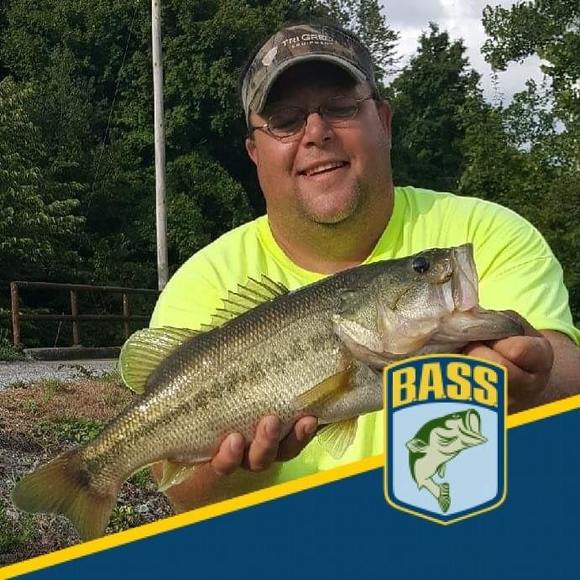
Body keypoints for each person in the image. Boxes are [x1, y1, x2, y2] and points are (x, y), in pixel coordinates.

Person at [148, 22, 580, 512]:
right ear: (254, 153)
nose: (316, 133)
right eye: (285, 121)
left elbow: (567, 372)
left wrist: (538, 384)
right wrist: (241, 467)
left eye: (340, 107)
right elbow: (181, 492)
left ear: (384, 122)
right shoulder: (202, 284)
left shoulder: (487, 233)